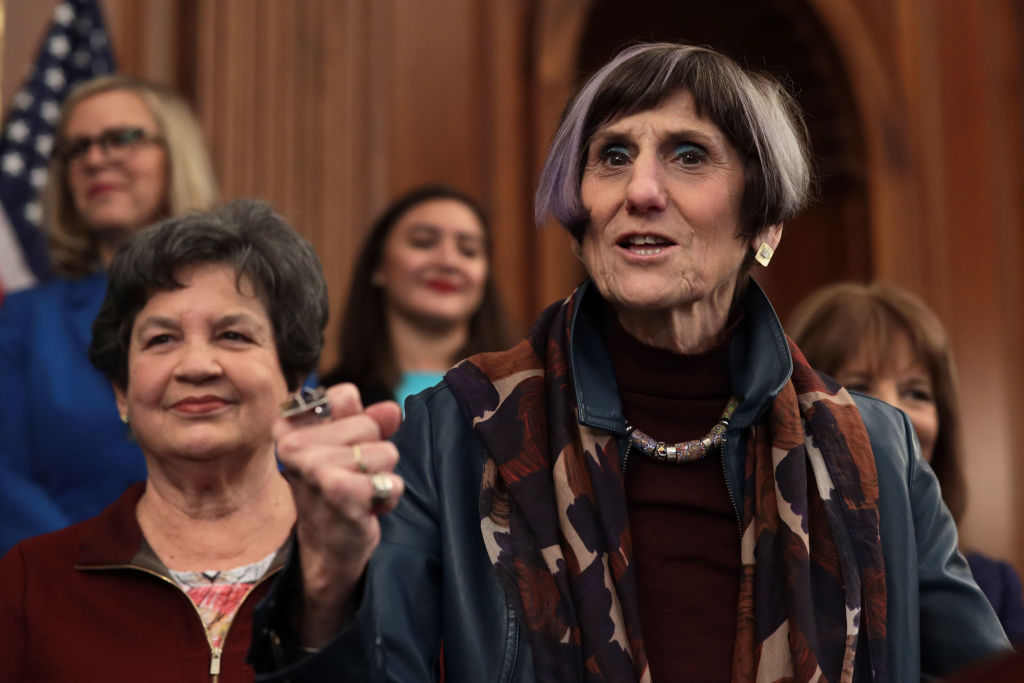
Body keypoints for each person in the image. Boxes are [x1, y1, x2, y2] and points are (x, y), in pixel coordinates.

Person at [250, 43, 1011, 682]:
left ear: (764, 223)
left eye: (689, 155)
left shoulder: (875, 452)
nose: (641, 191)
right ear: (580, 213)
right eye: (612, 156)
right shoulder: (457, 429)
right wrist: (326, 584)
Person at [0, 199, 378, 681]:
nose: (196, 366)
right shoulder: (30, 581)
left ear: (293, 380)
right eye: (161, 339)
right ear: (122, 392)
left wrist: (329, 597)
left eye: (233, 335)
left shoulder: (376, 565)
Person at [0, 75, 219, 555]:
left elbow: (281, 455)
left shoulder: (251, 304)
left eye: (121, 138)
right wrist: (96, 570)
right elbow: (4, 479)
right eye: (77, 148)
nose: (96, 159)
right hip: (64, 578)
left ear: (174, 152)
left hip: (228, 578)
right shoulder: (27, 319)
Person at [788, 281, 1024, 643]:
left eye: (916, 392)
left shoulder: (995, 589)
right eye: (859, 388)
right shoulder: (776, 579)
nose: (894, 414)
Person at [322, 185, 510, 407]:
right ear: (378, 264)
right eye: (423, 242)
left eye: (468, 250)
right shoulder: (328, 400)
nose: (449, 261)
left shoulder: (531, 393)